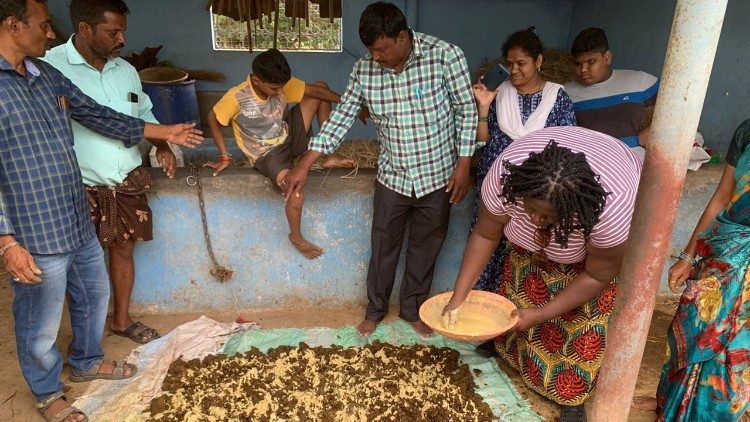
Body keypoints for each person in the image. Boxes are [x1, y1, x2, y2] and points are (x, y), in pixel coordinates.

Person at [0, 1, 202, 421]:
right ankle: (47, 393)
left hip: (74, 213)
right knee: (38, 319)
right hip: (34, 226)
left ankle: (88, 360)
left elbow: (98, 115)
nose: (51, 33)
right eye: (43, 25)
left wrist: (162, 133)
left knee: (94, 293)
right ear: (13, 25)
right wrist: (5, 240)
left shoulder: (44, 74)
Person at [283, 1, 477, 337]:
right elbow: (341, 118)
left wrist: (464, 165)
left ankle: (412, 310)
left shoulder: (445, 56)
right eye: (371, 50)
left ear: (402, 37)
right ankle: (375, 310)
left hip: (439, 174)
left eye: (382, 49)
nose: (376, 57)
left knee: (426, 246)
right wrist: (305, 163)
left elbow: (466, 112)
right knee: (383, 247)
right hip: (393, 177)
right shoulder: (364, 70)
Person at [443, 126, 642, 422]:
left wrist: (541, 314)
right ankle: (510, 354)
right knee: (518, 298)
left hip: (587, 265)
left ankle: (571, 395)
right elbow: (485, 236)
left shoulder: (610, 212)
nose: (535, 219)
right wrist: (458, 298)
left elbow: (597, 277)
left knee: (577, 324)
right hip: (540, 201)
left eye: (547, 216)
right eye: (531, 209)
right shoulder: (505, 178)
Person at [43, 0, 171, 344]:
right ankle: (83, 335)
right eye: (113, 31)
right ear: (85, 29)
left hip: (125, 179)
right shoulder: (50, 69)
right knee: (77, 263)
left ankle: (121, 319)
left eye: (123, 31)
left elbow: (143, 111)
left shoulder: (125, 71)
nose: (122, 39)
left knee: (124, 249)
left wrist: (162, 144)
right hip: (78, 185)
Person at [631, 120, 750, 421]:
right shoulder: (746, 131)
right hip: (726, 248)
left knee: (735, 345)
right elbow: (722, 198)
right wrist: (688, 255)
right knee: (694, 324)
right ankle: (670, 402)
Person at [205, 48, 358, 259]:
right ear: (257, 81)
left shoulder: (281, 83)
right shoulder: (237, 96)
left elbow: (320, 93)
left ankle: (328, 155)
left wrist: (352, 106)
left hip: (287, 134)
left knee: (320, 88)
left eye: (282, 87)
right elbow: (212, 118)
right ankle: (296, 236)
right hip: (267, 154)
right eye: (275, 88)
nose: (280, 92)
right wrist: (224, 156)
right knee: (294, 189)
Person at [471, 26, 576, 296]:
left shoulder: (557, 97)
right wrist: (483, 107)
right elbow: (482, 141)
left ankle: (514, 311)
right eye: (509, 64)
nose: (514, 70)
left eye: (522, 63)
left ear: (539, 61)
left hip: (536, 193)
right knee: (486, 245)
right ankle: (484, 308)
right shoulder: (498, 92)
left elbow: (565, 146)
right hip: (494, 183)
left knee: (521, 250)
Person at [564, 27, 658, 148]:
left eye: (591, 61)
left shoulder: (638, 81)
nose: (583, 69)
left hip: (634, 161)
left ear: (607, 58)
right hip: (586, 163)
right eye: (578, 63)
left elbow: (678, 103)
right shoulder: (565, 93)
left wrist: (650, 132)